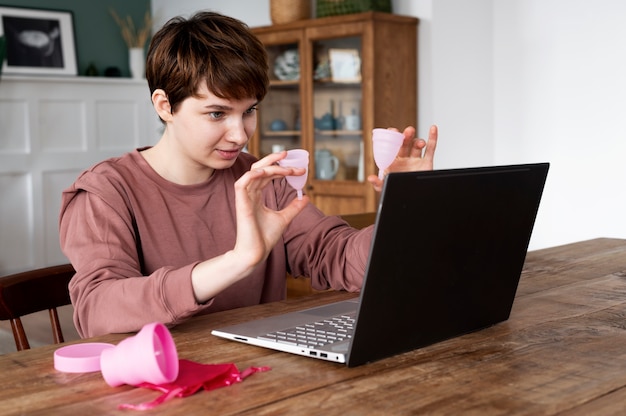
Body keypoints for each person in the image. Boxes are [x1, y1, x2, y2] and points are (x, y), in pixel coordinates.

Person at [59, 11, 438, 338]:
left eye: (249, 111)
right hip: (160, 387)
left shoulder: (263, 181)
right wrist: (237, 261)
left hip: (260, 378)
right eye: (217, 114)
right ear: (164, 105)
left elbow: (334, 255)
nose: (240, 135)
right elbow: (98, 310)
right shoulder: (105, 192)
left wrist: (406, 206)